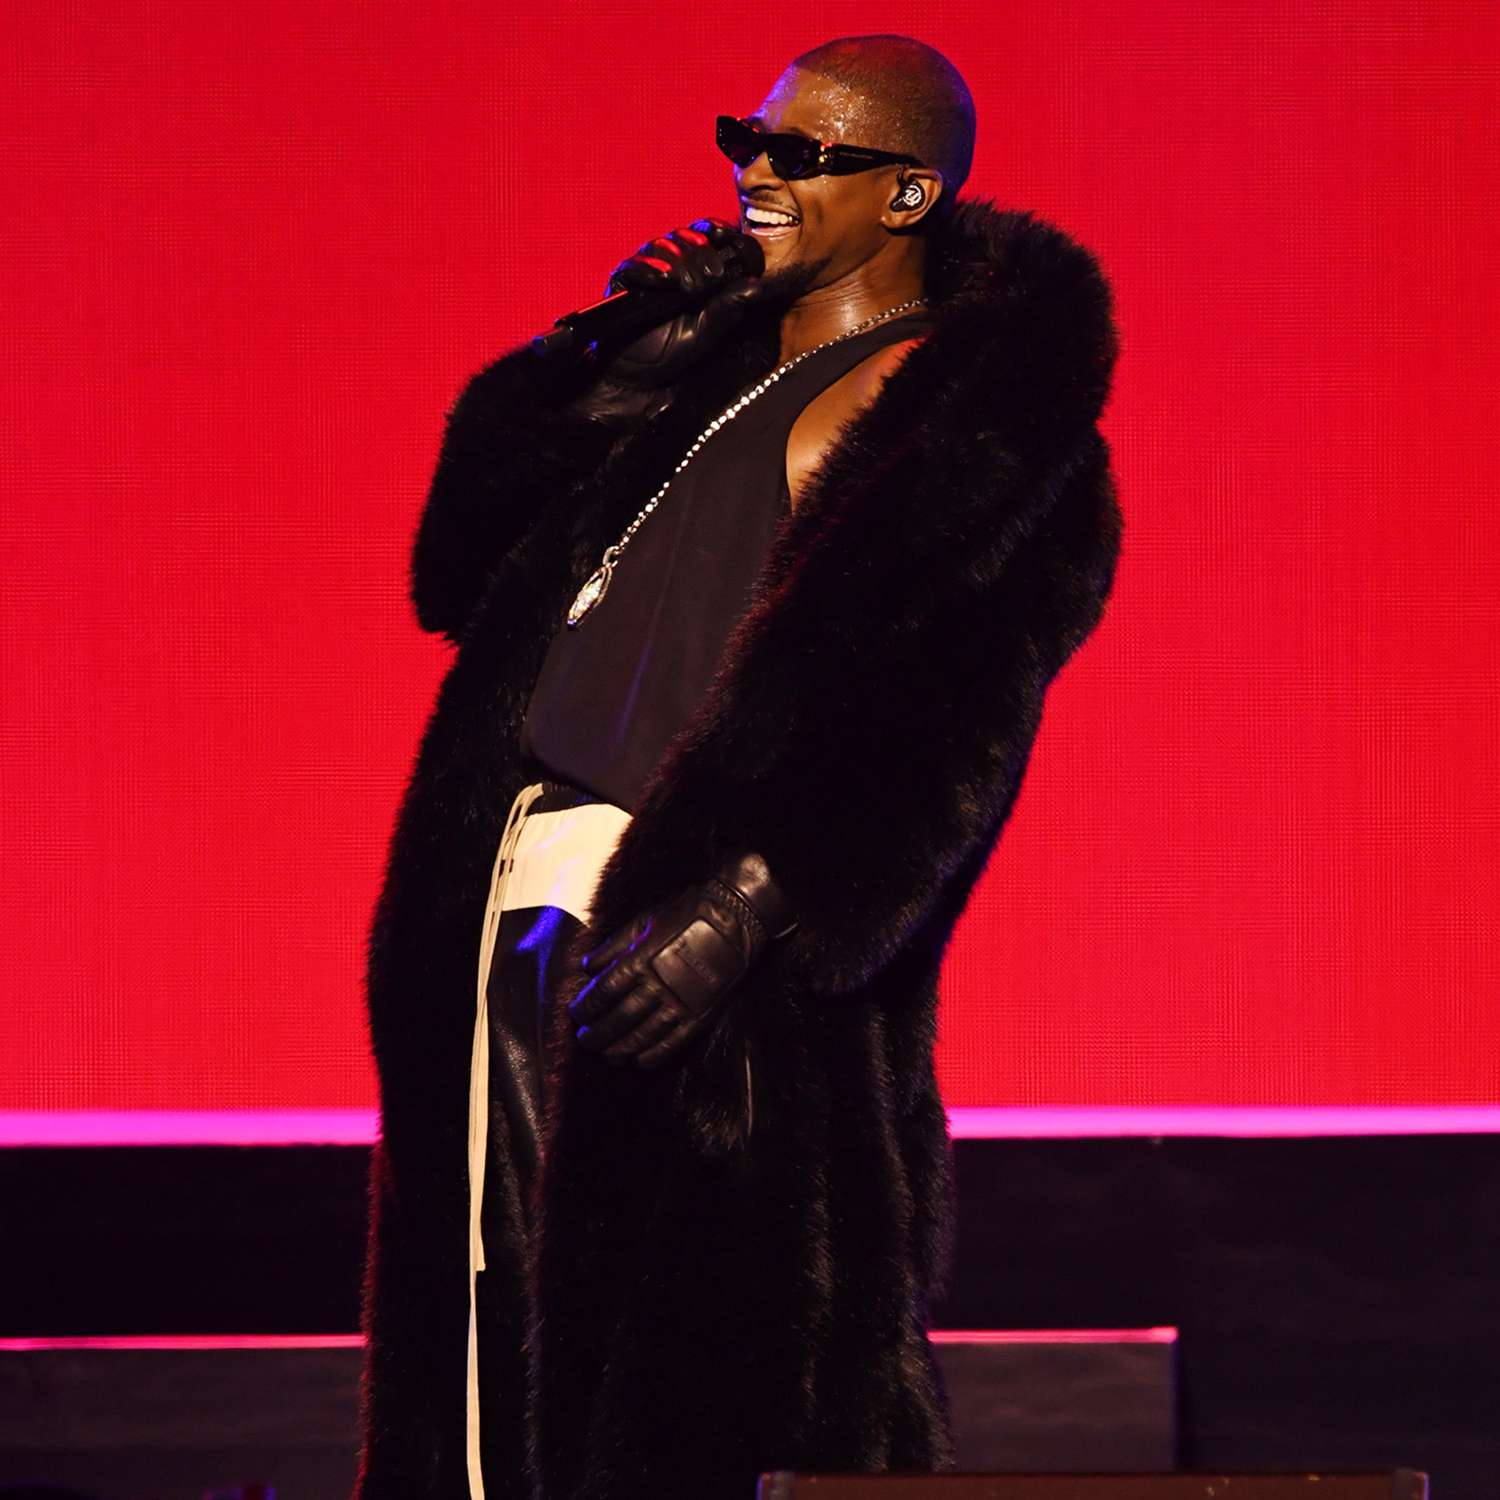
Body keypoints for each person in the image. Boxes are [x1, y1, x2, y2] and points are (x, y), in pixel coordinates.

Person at [353, 33, 1123, 1500]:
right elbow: (455, 570)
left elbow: (960, 723)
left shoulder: (963, 430)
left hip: (691, 944)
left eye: (800, 154)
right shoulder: (688, 383)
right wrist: (601, 351)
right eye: (745, 140)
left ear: (905, 197)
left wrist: (754, 903)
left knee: (697, 1373)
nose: (754, 175)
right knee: (491, 1338)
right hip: (519, 902)